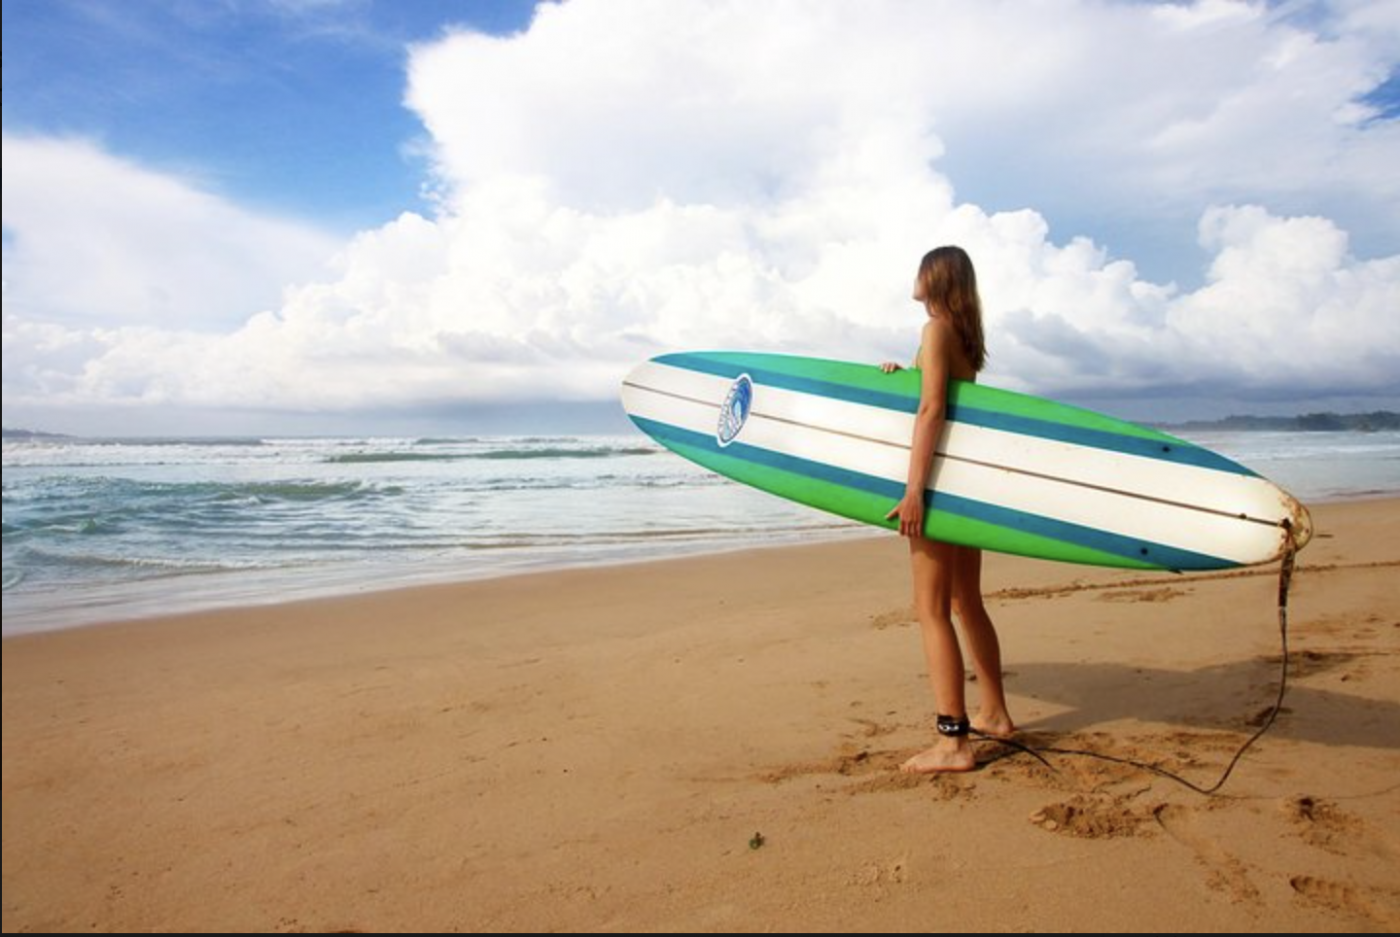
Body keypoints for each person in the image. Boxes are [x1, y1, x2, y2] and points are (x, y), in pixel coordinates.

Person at [880, 246, 1014, 773]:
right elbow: (937, 396)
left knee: (931, 610)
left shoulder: (935, 330)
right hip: (964, 485)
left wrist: (914, 491)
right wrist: (899, 374)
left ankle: (953, 741)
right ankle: (995, 714)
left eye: (919, 269)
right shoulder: (961, 336)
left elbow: (933, 408)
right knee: (967, 603)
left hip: (935, 484)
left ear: (934, 277)